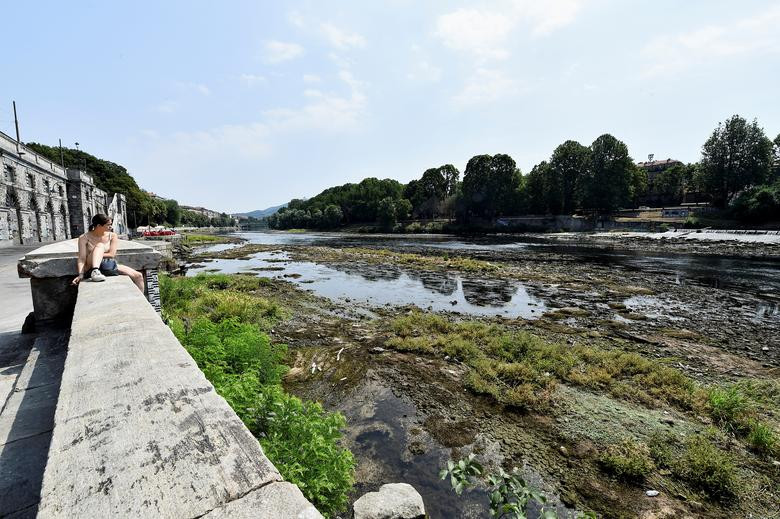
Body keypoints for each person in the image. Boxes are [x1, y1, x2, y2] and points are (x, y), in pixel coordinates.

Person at [71, 214, 145, 291]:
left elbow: (111, 254)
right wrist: (81, 274)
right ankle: (95, 271)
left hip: (106, 263)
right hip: (90, 265)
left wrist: (97, 255)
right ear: (99, 226)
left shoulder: (112, 236)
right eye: (108, 225)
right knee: (100, 246)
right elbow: (82, 258)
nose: (111, 227)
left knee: (138, 276)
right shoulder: (84, 237)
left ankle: (142, 299)